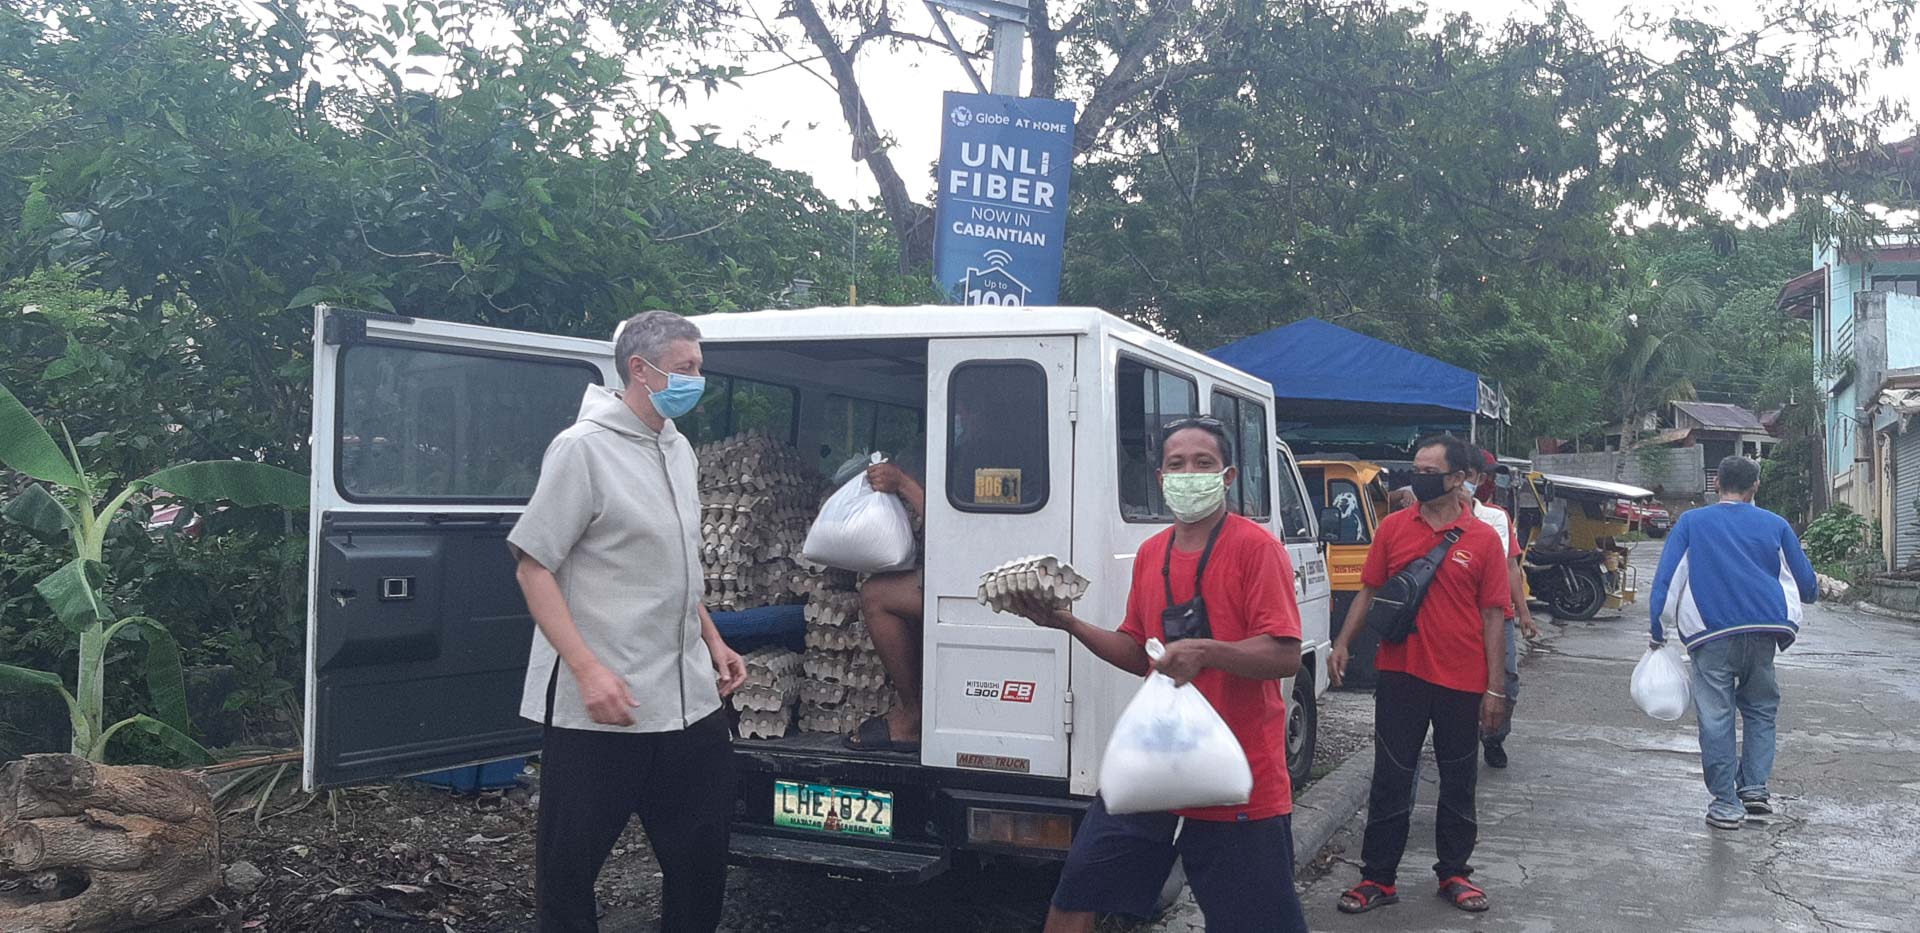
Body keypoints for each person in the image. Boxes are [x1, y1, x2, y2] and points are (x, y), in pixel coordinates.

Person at [1007, 417, 1309, 933]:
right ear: (1161, 477)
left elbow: (1284, 655)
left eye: (1203, 463)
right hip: (1151, 768)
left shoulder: (1256, 549)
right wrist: (1069, 623)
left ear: (1228, 477)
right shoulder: (1152, 554)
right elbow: (1136, 651)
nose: (1189, 474)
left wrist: (1206, 652)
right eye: (1177, 464)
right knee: (1078, 890)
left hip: (1238, 774)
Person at [507, 310, 749, 933]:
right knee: (569, 868)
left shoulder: (678, 448)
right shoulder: (583, 449)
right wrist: (587, 670)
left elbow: (673, 564)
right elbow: (533, 567)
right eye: (686, 367)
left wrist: (713, 639)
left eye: (699, 367)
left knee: (701, 859)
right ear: (640, 369)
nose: (697, 379)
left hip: (688, 697)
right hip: (605, 701)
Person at [1329, 434, 1510, 916]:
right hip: (1400, 674)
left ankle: (1454, 873)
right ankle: (1377, 877)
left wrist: (1496, 688)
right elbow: (1369, 590)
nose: (1418, 478)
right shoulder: (1393, 528)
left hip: (1462, 679)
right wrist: (1342, 642)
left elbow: (1494, 615)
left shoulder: (1483, 539)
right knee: (1391, 777)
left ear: (1459, 479)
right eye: (1416, 469)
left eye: (1430, 471)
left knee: (1459, 780)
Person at [1649, 455, 1818, 831]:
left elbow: (1667, 581)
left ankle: (1726, 804)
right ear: (1755, 486)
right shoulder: (1776, 525)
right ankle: (1755, 788)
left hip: (1711, 635)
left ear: (1716, 484)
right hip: (1764, 634)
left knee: (1716, 717)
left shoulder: (1692, 522)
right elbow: (1807, 586)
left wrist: (1658, 631)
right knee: (1761, 709)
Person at [1463, 449, 1539, 769]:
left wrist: (1524, 613)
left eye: (1482, 476)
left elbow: (1510, 567)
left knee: (1507, 682)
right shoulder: (1432, 516)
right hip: (1461, 615)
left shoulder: (1497, 517)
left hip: (1499, 615)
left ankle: (1494, 737)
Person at [846, 459, 927, 752]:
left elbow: (953, 529)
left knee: (877, 595)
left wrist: (903, 483)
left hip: (978, 579)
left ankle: (913, 715)